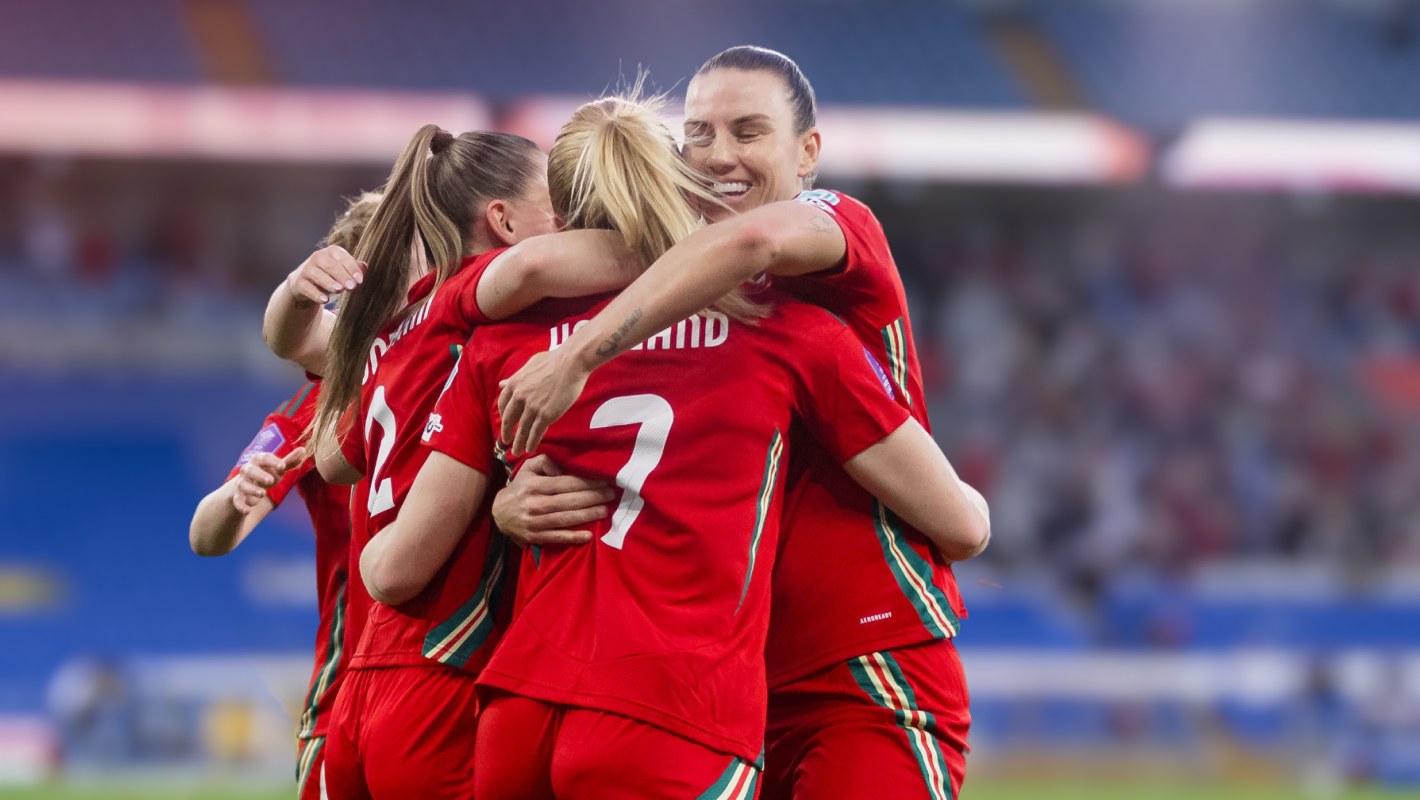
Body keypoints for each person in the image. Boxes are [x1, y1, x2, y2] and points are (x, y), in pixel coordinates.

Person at [365, 93, 989, 800]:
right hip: (673, 704)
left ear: (563, 220)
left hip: (519, 706)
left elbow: (404, 532)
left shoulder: (499, 347)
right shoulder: (788, 330)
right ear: (677, 188)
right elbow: (963, 526)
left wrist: (502, 511)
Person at [284, 124, 657, 800]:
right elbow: (532, 268)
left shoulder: (395, 335)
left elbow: (338, 462)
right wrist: (691, 245)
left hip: (365, 684)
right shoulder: (469, 304)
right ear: (503, 220)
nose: (571, 222)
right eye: (556, 205)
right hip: (440, 672)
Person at [189, 191, 380, 800]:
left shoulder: (469, 374)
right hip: (349, 689)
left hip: (453, 678)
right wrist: (239, 494)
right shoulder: (313, 407)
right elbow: (207, 534)